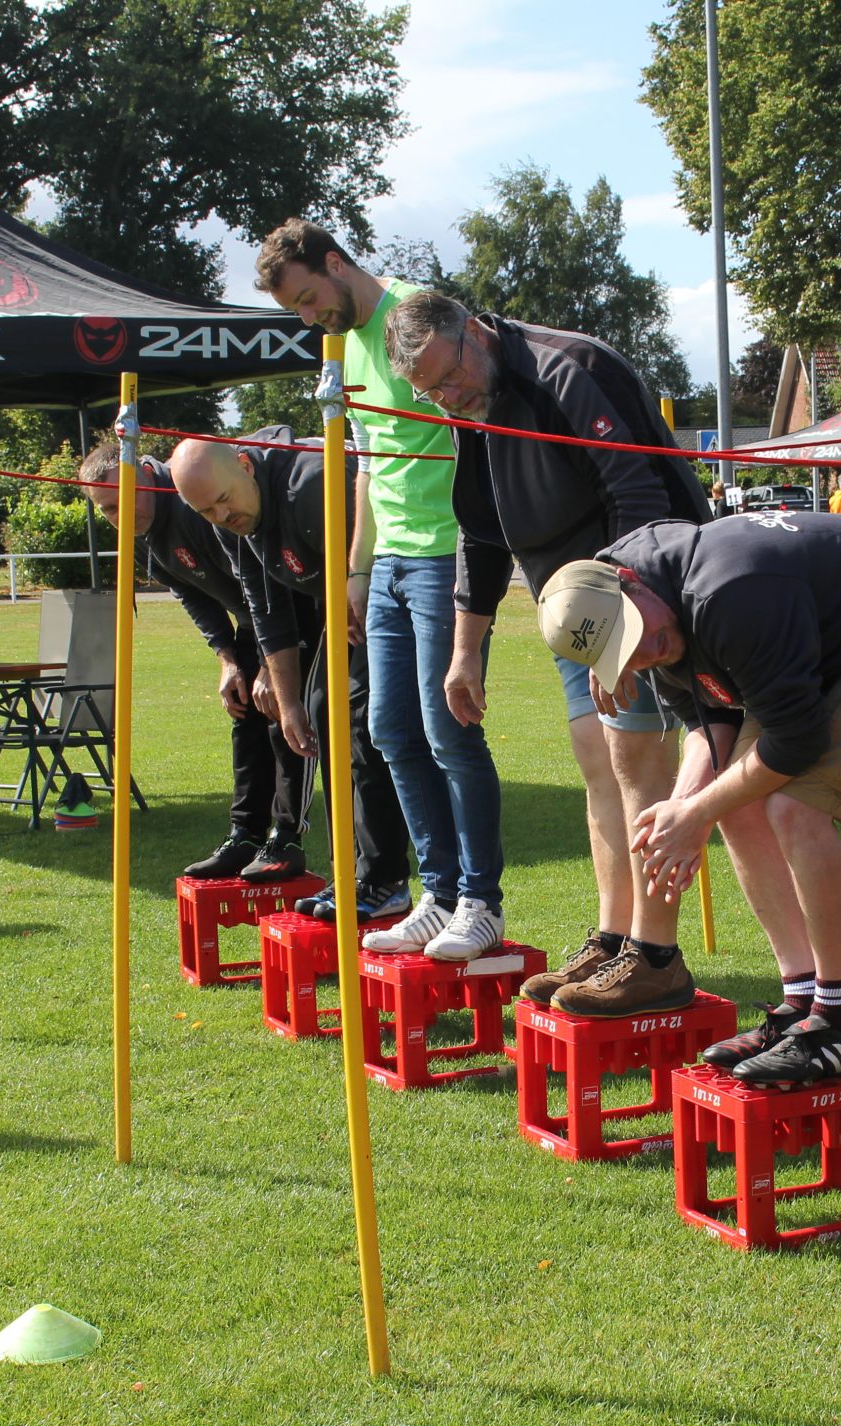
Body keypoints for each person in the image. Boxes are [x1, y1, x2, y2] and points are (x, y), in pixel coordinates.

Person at [384, 289, 812, 1018]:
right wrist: (465, 649)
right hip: (575, 612)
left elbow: (637, 498)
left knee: (640, 764)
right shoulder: (472, 409)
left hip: (651, 601)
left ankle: (654, 957)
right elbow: (481, 532)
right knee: (599, 762)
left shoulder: (569, 369)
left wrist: (612, 632)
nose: (449, 398)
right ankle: (616, 938)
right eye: (432, 393)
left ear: (473, 331)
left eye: (450, 377)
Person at [537, 510, 841, 1083]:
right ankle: (800, 1002)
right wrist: (684, 810)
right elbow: (710, 725)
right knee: (737, 803)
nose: (644, 652)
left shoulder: (725, 596)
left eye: (635, 634)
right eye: (624, 653)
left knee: (795, 806)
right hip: (831, 643)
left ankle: (835, 1021)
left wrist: (697, 812)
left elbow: (798, 739)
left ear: (631, 584)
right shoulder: (653, 606)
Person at [258, 221, 505, 961]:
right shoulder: (341, 348)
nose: (310, 319)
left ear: (336, 264)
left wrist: (472, 553)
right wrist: (357, 571)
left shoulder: (415, 318)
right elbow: (367, 464)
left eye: (309, 299)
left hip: (444, 553)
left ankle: (480, 902)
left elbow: (475, 425)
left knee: (448, 730)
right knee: (389, 730)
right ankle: (438, 895)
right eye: (296, 311)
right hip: (390, 560)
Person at [168, 427, 413, 922]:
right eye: (206, 513)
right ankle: (353, 877)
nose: (221, 517)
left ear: (245, 465)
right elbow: (266, 607)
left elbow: (372, 558)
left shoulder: (316, 483)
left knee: (363, 722)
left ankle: (386, 880)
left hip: (397, 590)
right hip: (342, 607)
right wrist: (290, 702)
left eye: (223, 502)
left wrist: (352, 597)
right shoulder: (231, 520)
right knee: (323, 714)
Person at [79, 440, 308, 879]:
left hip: (292, 614)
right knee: (245, 714)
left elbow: (265, 580)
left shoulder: (195, 503)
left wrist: (269, 664)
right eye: (108, 509)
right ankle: (245, 835)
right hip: (252, 624)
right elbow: (189, 592)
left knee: (285, 716)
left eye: (126, 498)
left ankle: (287, 837)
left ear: (147, 475)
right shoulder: (139, 536)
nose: (121, 515)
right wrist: (228, 658)